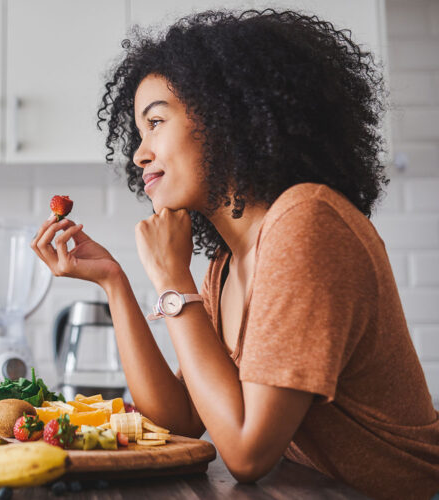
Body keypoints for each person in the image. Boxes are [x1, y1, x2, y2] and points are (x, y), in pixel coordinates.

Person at [31, 9, 439, 500]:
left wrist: (172, 280)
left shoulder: (306, 222)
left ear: (227, 117)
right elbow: (181, 419)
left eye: (156, 122)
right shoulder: (226, 265)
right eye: (139, 134)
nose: (139, 154)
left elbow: (247, 453)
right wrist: (114, 282)